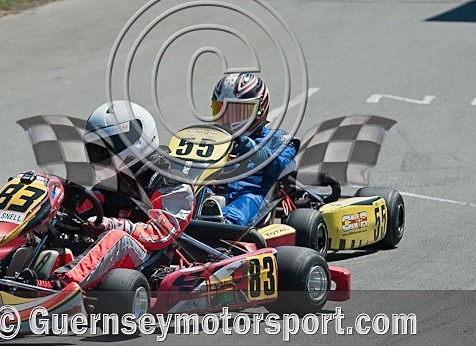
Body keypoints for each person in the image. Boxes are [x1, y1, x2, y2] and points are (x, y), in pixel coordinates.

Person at [29, 101, 194, 290]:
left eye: (108, 145)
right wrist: (56, 200)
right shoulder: (112, 183)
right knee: (40, 222)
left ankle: (60, 286)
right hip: (107, 256)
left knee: (118, 238)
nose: (100, 153)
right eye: (96, 147)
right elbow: (84, 209)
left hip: (153, 259)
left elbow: (160, 233)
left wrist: (111, 224)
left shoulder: (170, 183)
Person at [207, 72, 299, 226]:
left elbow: (280, 164)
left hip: (251, 195)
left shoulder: (278, 138)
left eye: (237, 112)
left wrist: (253, 150)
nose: (229, 119)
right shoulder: (211, 138)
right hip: (211, 192)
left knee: (245, 202)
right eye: (221, 110)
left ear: (259, 110)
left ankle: (225, 224)